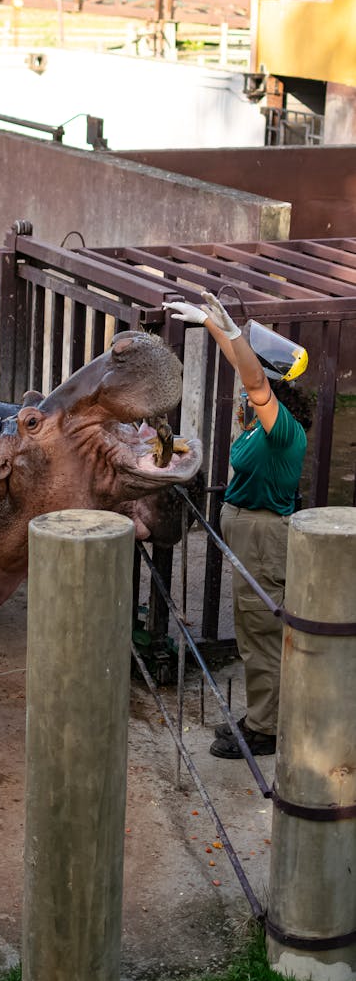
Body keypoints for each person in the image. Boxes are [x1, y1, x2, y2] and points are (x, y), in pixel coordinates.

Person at [162, 291, 312, 759]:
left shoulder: (282, 432)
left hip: (265, 537)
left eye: (253, 392)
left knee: (260, 633)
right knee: (252, 631)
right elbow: (244, 370)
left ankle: (265, 729)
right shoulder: (260, 426)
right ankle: (261, 716)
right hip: (249, 534)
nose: (245, 397)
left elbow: (254, 381)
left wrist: (228, 331)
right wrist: (212, 325)